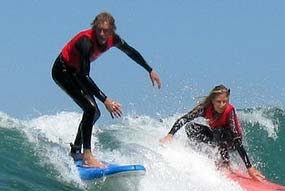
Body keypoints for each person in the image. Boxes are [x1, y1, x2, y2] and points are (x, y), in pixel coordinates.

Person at [52, 11, 162, 168]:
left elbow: (130, 51)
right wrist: (106, 100)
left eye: (106, 30)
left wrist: (149, 69)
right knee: (90, 108)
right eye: (98, 30)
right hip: (62, 71)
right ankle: (87, 156)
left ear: (112, 31)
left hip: (76, 72)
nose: (102, 34)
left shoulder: (113, 39)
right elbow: (84, 76)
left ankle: (76, 150)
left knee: (94, 112)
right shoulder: (86, 42)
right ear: (94, 28)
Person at [160, 85, 265, 181]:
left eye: (225, 101)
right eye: (218, 102)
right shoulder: (204, 108)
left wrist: (249, 168)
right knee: (190, 128)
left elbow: (236, 139)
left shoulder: (229, 111)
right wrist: (170, 134)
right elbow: (185, 118)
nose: (222, 105)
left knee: (219, 130)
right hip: (217, 138)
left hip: (231, 141)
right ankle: (213, 155)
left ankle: (225, 164)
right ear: (212, 101)